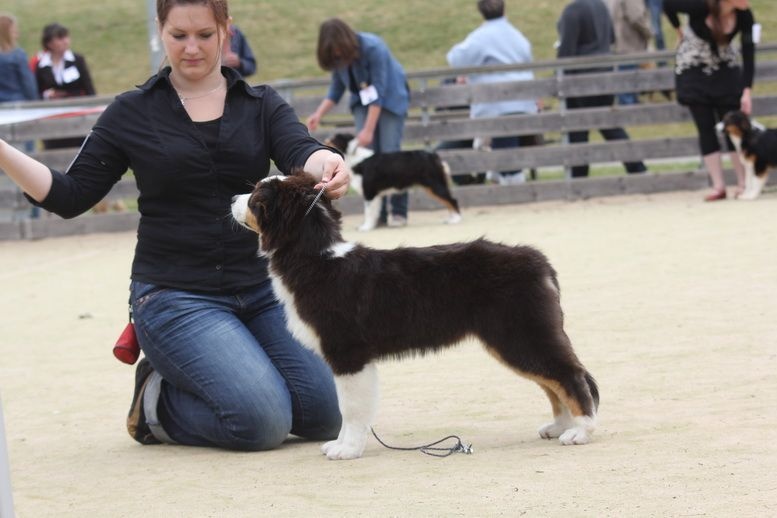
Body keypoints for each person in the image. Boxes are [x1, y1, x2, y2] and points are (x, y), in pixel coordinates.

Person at [0, 0, 349, 451]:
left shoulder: (261, 104)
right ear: (159, 31)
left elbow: (301, 149)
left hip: (261, 290)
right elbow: (71, 195)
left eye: (204, 35)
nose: (191, 48)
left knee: (328, 415)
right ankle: (155, 404)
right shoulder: (131, 112)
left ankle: (238, 374)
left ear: (226, 29)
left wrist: (328, 162)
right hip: (175, 296)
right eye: (178, 36)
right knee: (262, 423)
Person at [307, 18, 410, 227]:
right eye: (333, 53)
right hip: (362, 103)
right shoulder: (337, 58)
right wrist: (318, 113)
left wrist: (368, 130)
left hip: (390, 100)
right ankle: (377, 215)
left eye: (338, 50)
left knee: (390, 155)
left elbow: (378, 91)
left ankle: (399, 211)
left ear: (345, 41)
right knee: (368, 160)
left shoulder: (374, 47)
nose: (337, 55)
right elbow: (336, 89)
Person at [664, 0, 754, 201]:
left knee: (734, 126)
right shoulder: (700, 6)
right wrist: (678, 30)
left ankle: (743, 183)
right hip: (694, 70)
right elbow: (668, 4)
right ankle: (718, 185)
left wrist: (747, 90)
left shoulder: (744, 15)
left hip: (725, 70)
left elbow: (749, 52)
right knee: (705, 127)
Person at [446, 0, 540, 185]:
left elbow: (455, 59)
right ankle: (501, 176)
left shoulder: (481, 37)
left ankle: (511, 182)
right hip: (524, 103)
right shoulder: (517, 36)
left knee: (499, 147)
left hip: (497, 107)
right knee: (501, 146)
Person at [556, 0, 648, 178]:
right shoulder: (600, 6)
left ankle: (579, 178)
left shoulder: (572, 11)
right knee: (610, 127)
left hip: (580, 80)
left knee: (578, 133)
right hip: (604, 74)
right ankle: (637, 168)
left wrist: (558, 79)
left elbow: (566, 52)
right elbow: (612, 38)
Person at [34, 23, 96, 149]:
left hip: (77, 114)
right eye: (60, 38)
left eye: (66, 37)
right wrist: (48, 95)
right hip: (52, 118)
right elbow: (37, 91)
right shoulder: (40, 64)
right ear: (49, 43)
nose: (65, 41)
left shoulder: (77, 60)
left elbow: (89, 88)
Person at [604, 0, 653, 105]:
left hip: (622, 46)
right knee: (627, 93)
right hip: (629, 47)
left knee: (627, 88)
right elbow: (636, 17)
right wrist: (649, 31)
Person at [0, 14, 38, 104]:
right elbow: (28, 83)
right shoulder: (17, 55)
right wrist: (35, 101)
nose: (17, 34)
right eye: (14, 31)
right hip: (16, 103)